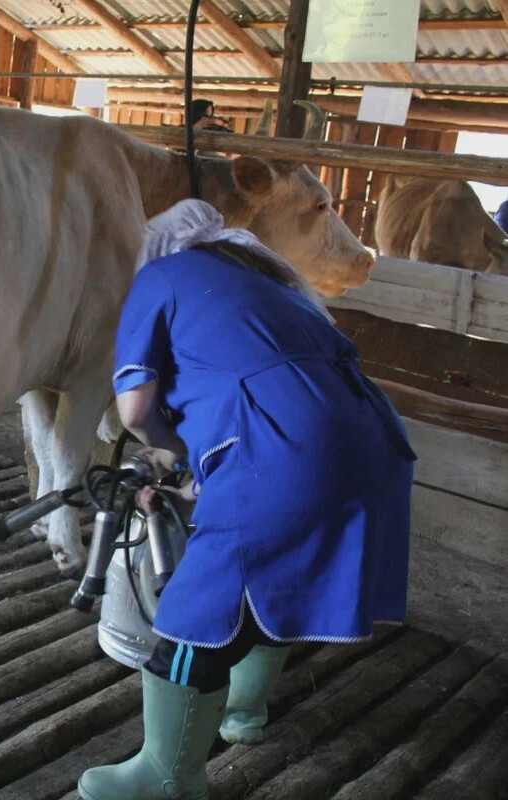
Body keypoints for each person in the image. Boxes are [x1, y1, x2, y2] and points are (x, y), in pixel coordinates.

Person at [77, 199, 416, 800]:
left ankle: (166, 778)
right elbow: (270, 390)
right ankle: (243, 713)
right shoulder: (273, 284)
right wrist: (196, 474)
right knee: (285, 571)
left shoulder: (159, 276)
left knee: (195, 610)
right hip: (374, 438)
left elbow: (134, 409)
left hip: (279, 447)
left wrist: (169, 450)